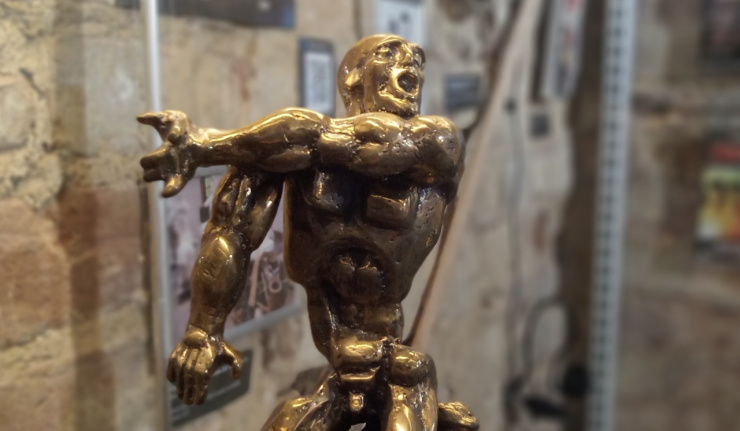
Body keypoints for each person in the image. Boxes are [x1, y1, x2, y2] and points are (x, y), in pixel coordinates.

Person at [139, 34, 477, 431]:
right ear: (352, 78)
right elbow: (231, 231)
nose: (409, 66)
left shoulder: (438, 144)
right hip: (332, 339)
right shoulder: (283, 155)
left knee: (410, 375)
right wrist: (203, 328)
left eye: (417, 61)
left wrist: (207, 145)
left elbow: (370, 142)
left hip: (393, 352)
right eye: (390, 55)